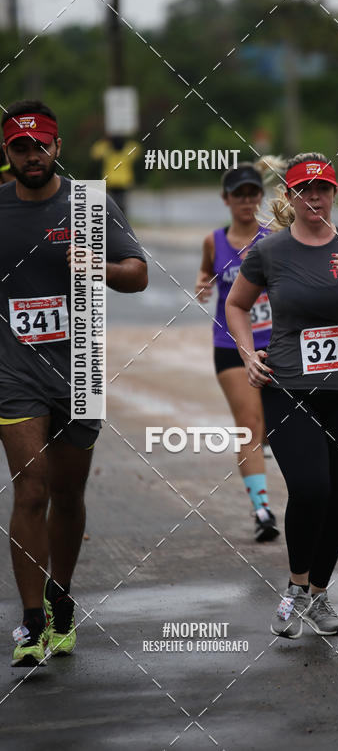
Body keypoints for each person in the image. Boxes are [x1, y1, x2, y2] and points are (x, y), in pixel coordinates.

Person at [0, 100, 148, 667]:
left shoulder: (89, 205)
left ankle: (60, 599)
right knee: (31, 489)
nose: (32, 156)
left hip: (79, 368)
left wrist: (95, 268)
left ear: (58, 147)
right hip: (14, 372)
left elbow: (137, 274)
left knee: (66, 494)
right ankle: (31, 622)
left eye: (41, 146)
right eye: (20, 147)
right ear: (7, 152)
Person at [226, 153, 338, 638]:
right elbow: (236, 305)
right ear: (290, 196)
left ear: (335, 193)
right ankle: (296, 588)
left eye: (322, 189)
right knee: (310, 488)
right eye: (304, 189)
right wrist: (247, 355)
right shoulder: (270, 251)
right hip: (288, 389)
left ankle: (319, 595)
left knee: (337, 499)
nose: (314, 197)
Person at [195, 163, 279, 542]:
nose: (246, 201)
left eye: (252, 193)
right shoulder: (214, 242)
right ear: (225, 199)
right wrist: (203, 284)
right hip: (231, 347)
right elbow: (206, 274)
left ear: (261, 196)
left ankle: (267, 444)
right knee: (249, 424)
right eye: (238, 194)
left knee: (273, 425)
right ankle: (262, 510)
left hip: (276, 345)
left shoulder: (274, 238)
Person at [90, 135, 139, 217]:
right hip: (124, 181)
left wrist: (105, 141)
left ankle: (112, 217)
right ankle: (122, 218)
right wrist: (128, 138)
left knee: (110, 203)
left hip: (110, 181)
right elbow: (137, 149)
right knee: (122, 203)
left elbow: (95, 153)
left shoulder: (107, 152)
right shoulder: (127, 152)